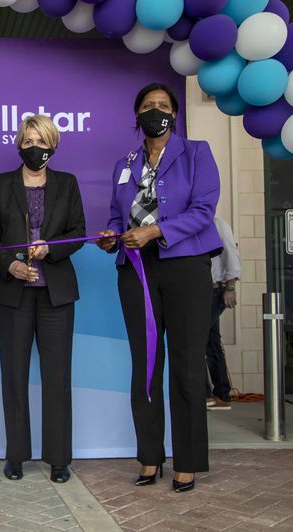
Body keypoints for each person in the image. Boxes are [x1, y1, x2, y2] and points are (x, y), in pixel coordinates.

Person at [97, 83, 222, 493]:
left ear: (175, 114)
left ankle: (186, 461)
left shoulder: (197, 153)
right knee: (146, 364)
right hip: (135, 270)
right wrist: (112, 235)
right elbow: (118, 216)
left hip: (184, 265)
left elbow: (203, 211)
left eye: (164, 106)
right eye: (148, 106)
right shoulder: (124, 163)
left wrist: (154, 231)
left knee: (186, 366)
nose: (156, 111)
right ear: (137, 116)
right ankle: (150, 456)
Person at [0, 115, 86, 483]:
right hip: (12, 294)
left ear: (53, 145)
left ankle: (59, 458)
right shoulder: (0, 184)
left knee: (57, 378)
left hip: (56, 293)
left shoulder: (67, 184)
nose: (34, 148)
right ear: (18, 145)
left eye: (41, 141)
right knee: (14, 376)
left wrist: (51, 251)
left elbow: (77, 233)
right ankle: (16, 455)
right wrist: (9, 265)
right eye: (28, 141)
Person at [206, 217, 240, 411]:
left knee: (197, 340)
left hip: (215, 290)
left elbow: (232, 254)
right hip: (203, 291)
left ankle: (208, 394)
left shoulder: (218, 224)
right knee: (211, 343)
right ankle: (221, 394)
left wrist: (231, 287)